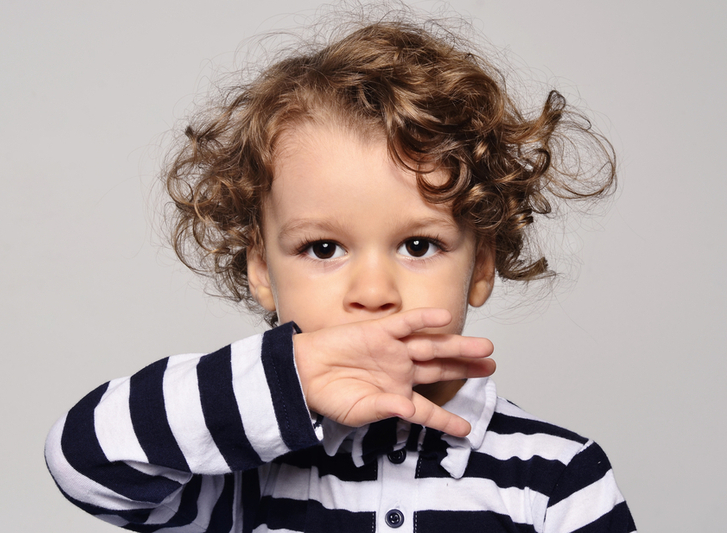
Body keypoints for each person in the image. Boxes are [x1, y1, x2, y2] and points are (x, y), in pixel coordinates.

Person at [45, 10, 636, 533]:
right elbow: (84, 460)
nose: (373, 293)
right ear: (262, 268)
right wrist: (291, 379)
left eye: (418, 245)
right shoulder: (241, 469)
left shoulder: (560, 477)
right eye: (324, 249)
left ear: (481, 263)